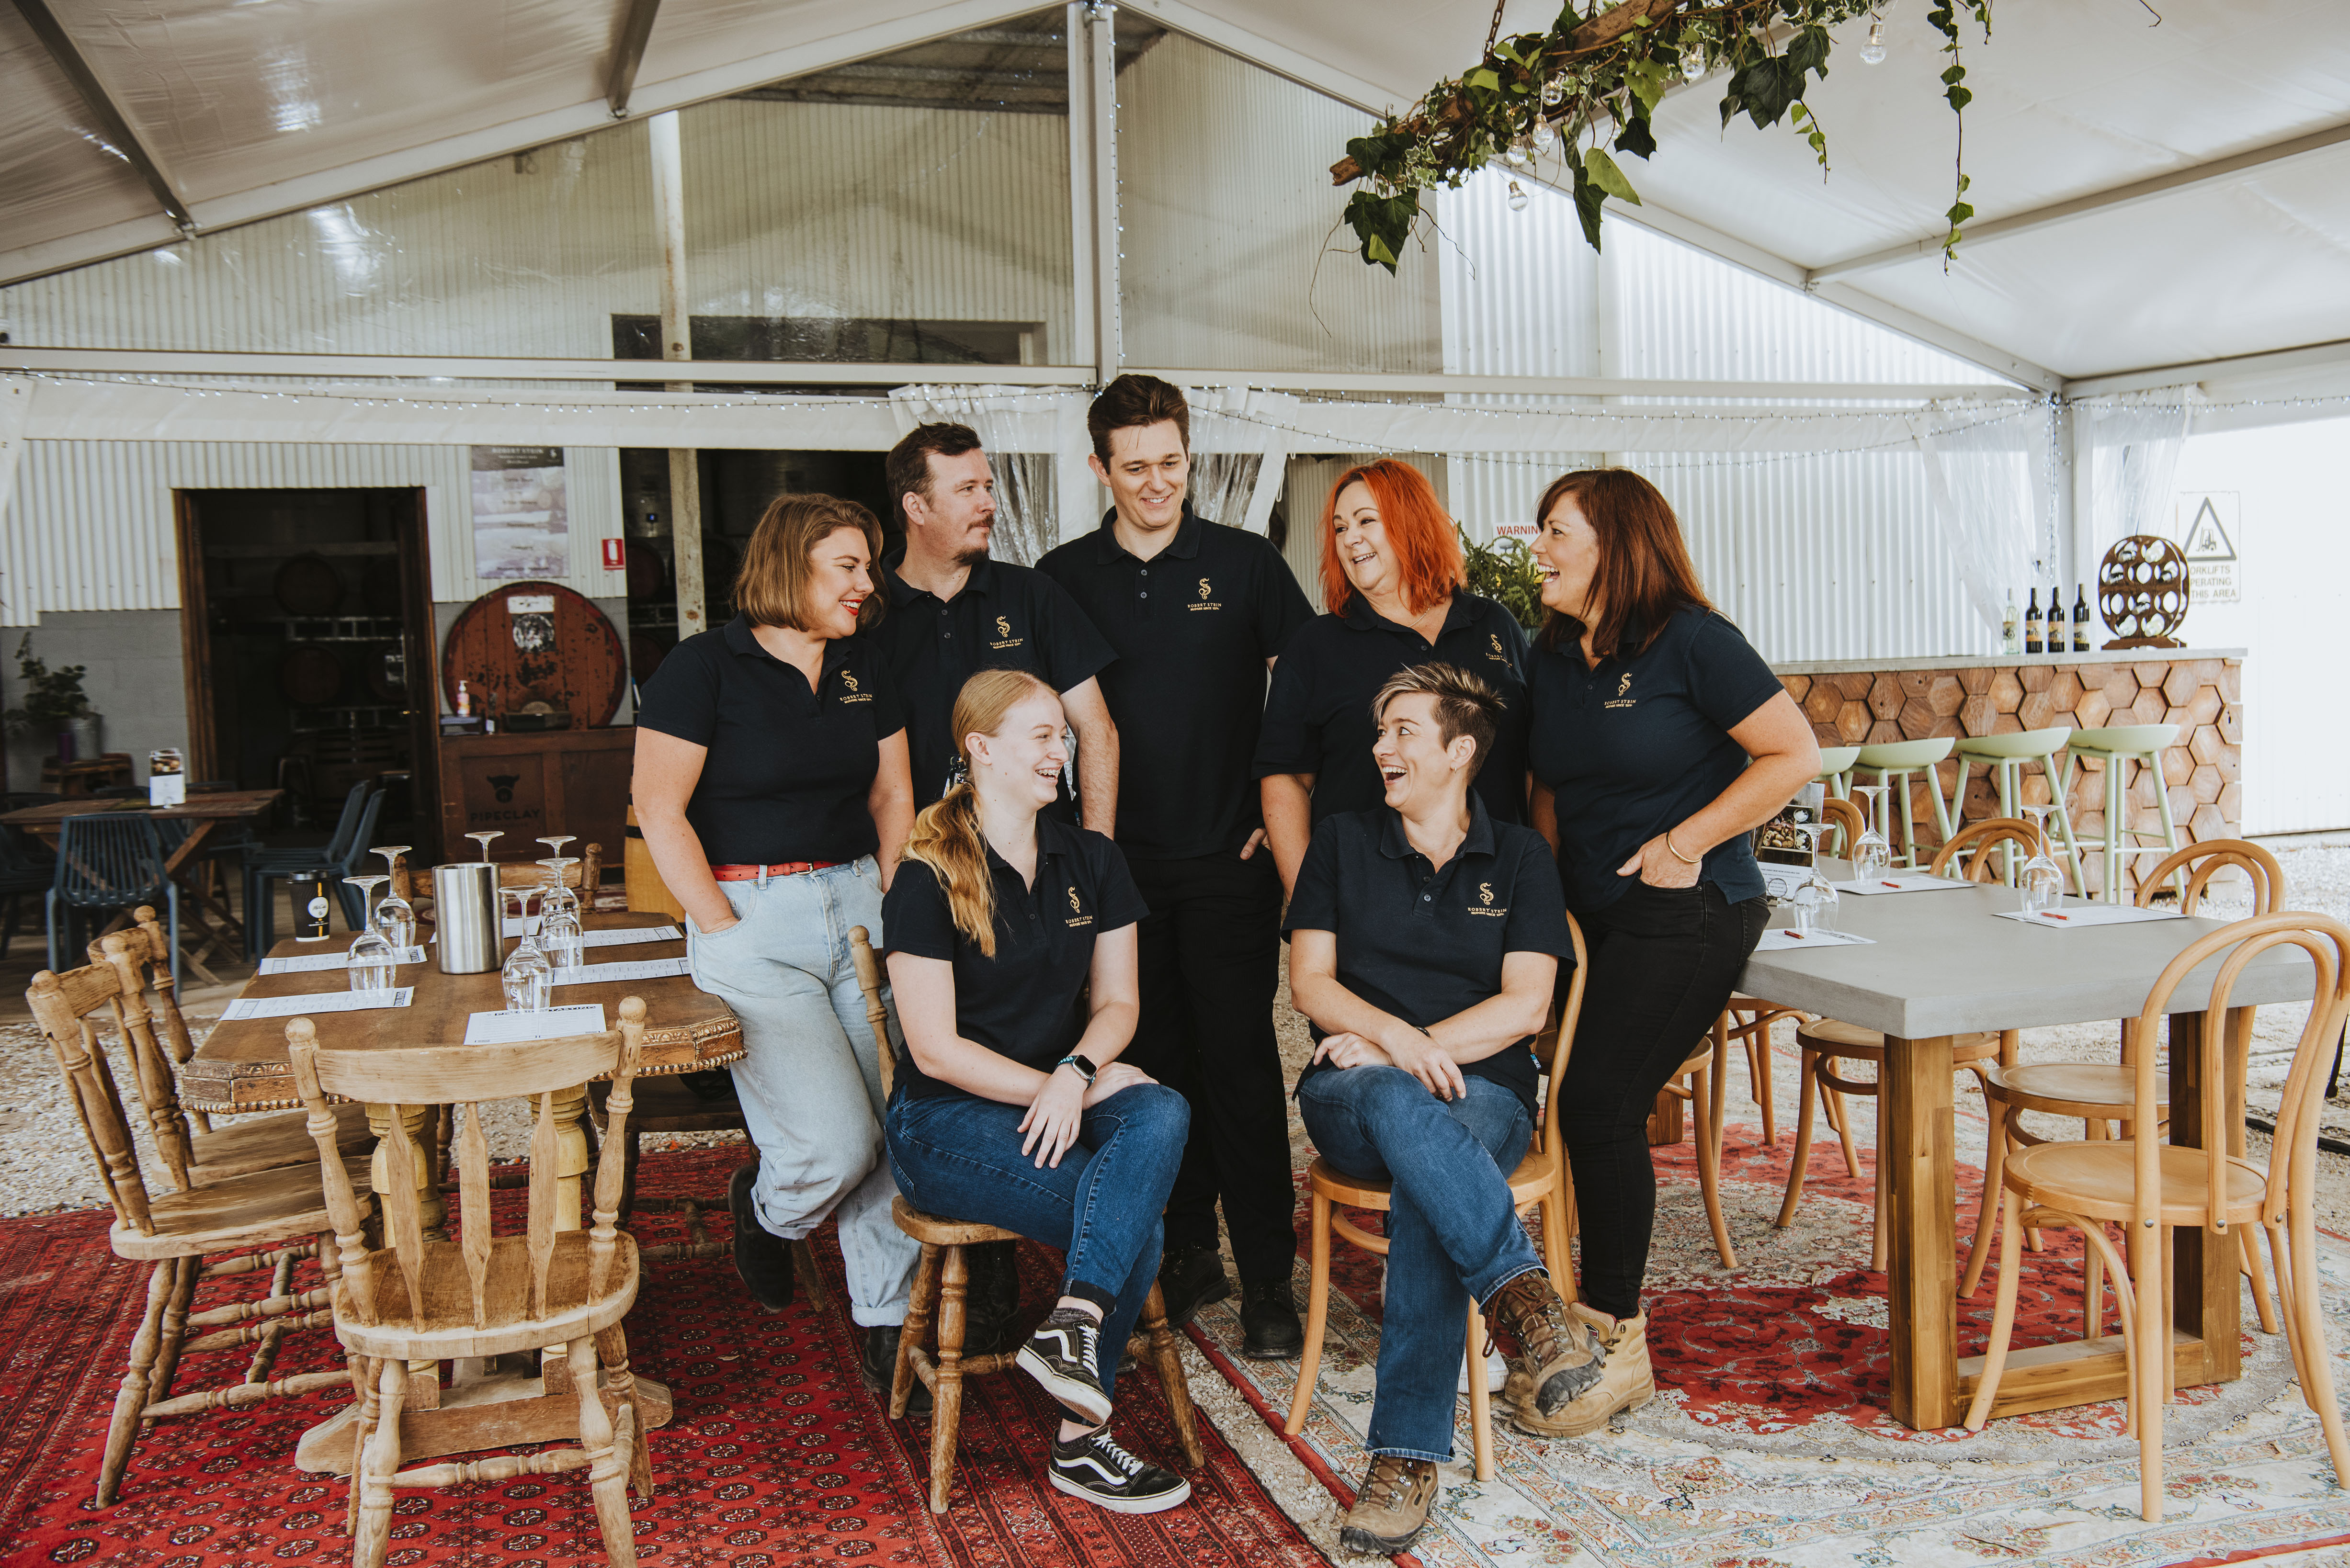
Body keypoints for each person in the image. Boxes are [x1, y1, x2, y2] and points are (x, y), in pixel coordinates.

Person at [1521, 468, 1819, 1435]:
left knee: (1598, 1101)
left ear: (1610, 541)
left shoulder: (1694, 639)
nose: (1536, 548)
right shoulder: (1554, 653)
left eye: (1554, 531)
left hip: (1692, 909)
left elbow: (1791, 754)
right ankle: (1575, 1317)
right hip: (1592, 918)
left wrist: (1684, 842)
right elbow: (1549, 791)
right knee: (1574, 1103)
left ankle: (1614, 1340)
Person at [1035, 374, 1317, 1358]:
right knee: (1152, 1072)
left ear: (1188, 459)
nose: (1156, 483)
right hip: (1113, 872)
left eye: (1170, 463)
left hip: (1224, 861)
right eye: (1135, 466)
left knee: (1240, 1066)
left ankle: (1269, 1280)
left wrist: (1279, 808)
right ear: (1099, 468)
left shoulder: (1243, 565)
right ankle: (1189, 1248)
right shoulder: (1062, 573)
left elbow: (1310, 689)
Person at [1285, 663, 1592, 1556]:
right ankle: (1519, 1294)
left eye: (1404, 731)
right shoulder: (1341, 843)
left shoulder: (1523, 858)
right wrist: (1391, 1048)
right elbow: (1309, 981)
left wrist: (1401, 1043)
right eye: (1381, 733)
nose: (1382, 748)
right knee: (1393, 1102)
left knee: (1432, 1174)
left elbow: (1526, 1007)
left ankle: (1403, 1459)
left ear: (1459, 751)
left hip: (1482, 1095)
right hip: (1352, 1095)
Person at [631, 492, 927, 1406]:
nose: (865, 585)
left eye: (867, 567)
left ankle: (887, 1327)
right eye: (848, 565)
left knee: (894, 1125)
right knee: (838, 1143)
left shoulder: (864, 664)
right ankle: (768, 1211)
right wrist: (719, 922)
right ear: (791, 566)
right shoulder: (701, 668)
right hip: (751, 918)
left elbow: (892, 797)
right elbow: (658, 808)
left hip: (857, 908)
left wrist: (889, 894)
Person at [883, 668, 1194, 1514]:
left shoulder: (1089, 858)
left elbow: (1120, 1002)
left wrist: (1079, 1073)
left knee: (1164, 1108)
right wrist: (1060, 1091)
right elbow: (935, 1050)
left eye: (1064, 734)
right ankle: (1082, 1445)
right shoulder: (926, 874)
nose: (1063, 750)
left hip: (1057, 1090)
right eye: (1042, 736)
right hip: (945, 1121)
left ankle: (1072, 1327)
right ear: (980, 749)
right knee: (1127, 1217)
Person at [873, 419, 1122, 1356]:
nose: (987, 501)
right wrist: (907, 887)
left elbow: (1092, 728)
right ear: (915, 505)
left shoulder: (1029, 594)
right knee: (944, 1055)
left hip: (1036, 871)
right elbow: (882, 776)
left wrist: (1091, 859)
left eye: (987, 485)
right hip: (934, 879)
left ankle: (1046, 1276)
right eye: (969, 488)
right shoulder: (873, 617)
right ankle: (959, 1284)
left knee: (1044, 1029)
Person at [1258, 458, 1531, 900]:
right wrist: (1309, 897)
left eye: (1367, 520)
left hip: (1494, 890)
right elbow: (1283, 779)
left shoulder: (1494, 625)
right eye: (1340, 528)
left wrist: (1542, 876)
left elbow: (1532, 764)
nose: (1350, 539)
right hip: (1370, 900)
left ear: (1412, 523)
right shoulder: (1316, 645)